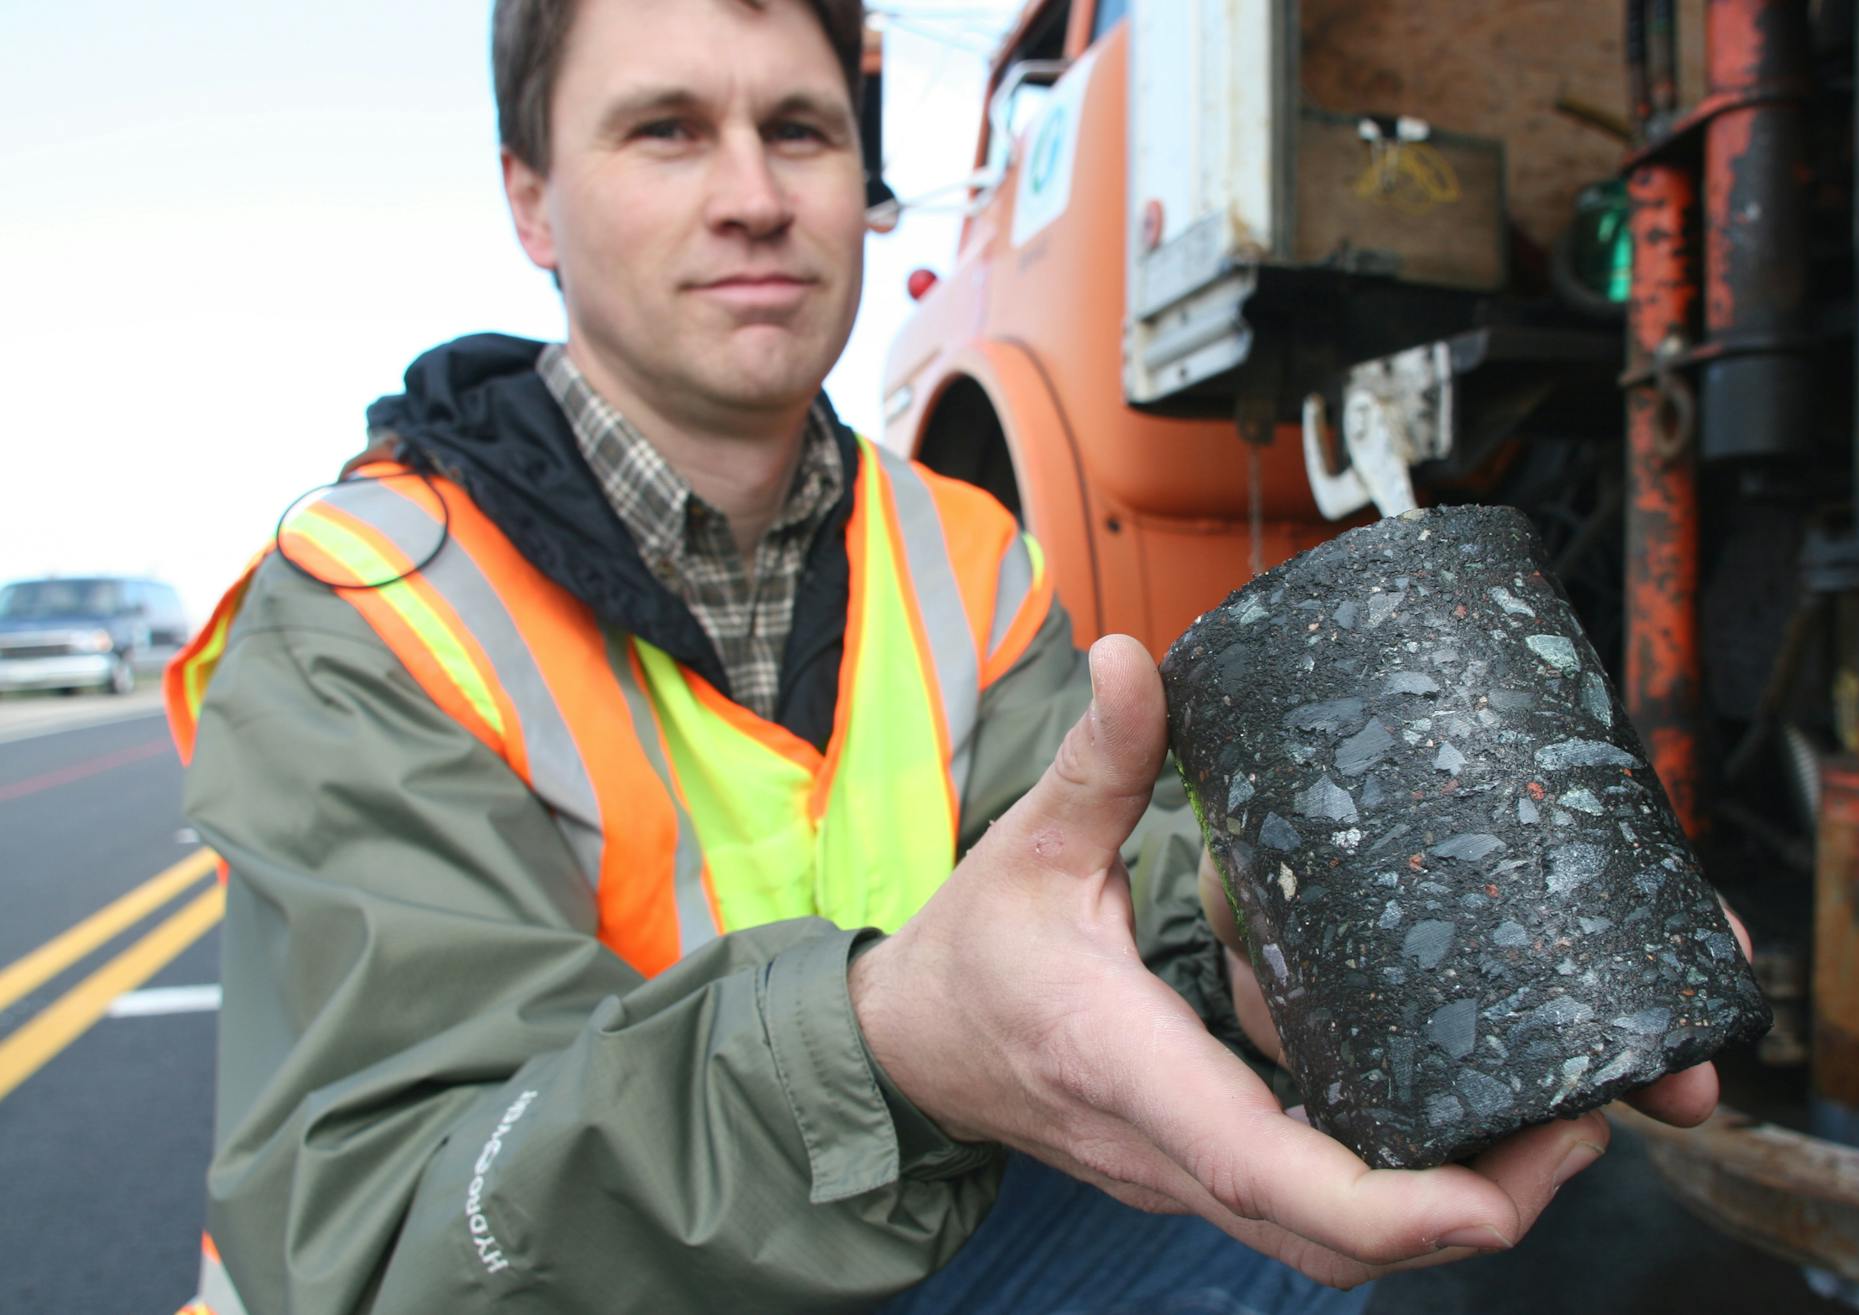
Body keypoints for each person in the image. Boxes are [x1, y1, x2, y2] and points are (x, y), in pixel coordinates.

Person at [167, 1, 1731, 1311]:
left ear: (862, 181)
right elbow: (397, 1245)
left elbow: (1110, 919)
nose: (754, 196)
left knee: (1497, 1220)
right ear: (528, 200)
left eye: (800, 131)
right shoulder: (369, 609)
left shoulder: (958, 550)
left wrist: (1277, 965)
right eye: (663, 131)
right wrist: (889, 1050)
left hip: (901, 1248)